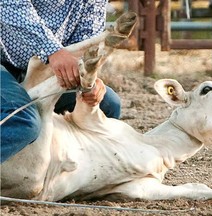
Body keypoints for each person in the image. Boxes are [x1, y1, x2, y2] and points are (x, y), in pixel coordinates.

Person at [0, 0, 121, 163]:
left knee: (108, 105)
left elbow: (86, 42)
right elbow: (10, 6)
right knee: (23, 121)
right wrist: (53, 51)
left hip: (47, 68)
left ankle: (64, 181)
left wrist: (89, 78)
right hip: (4, 63)